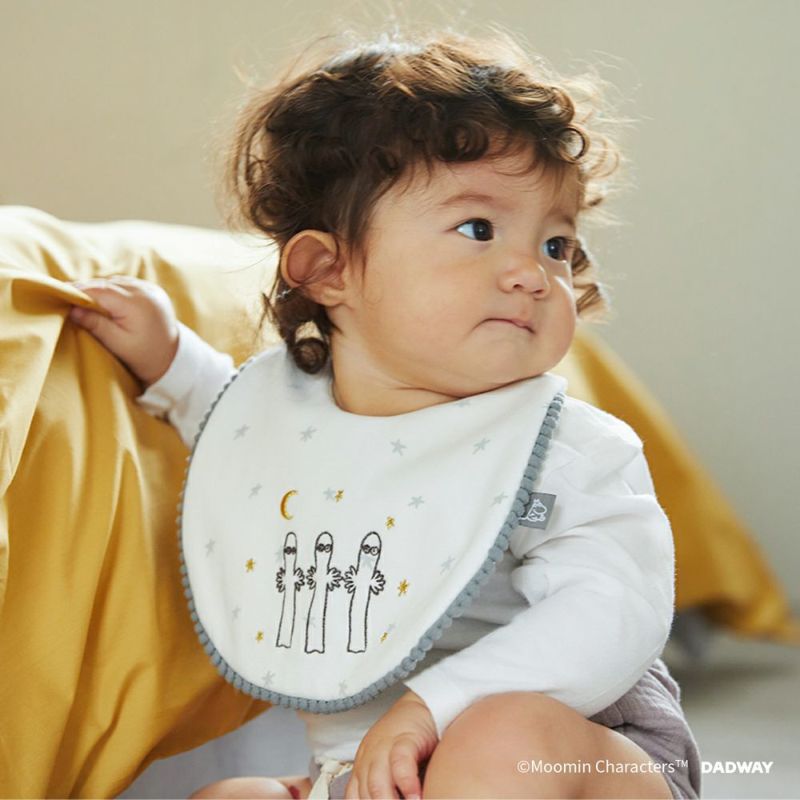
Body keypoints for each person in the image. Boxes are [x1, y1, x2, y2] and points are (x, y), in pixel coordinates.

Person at [66, 26, 702, 800]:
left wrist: (436, 706)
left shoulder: (568, 449)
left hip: (575, 757)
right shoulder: (290, 420)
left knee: (498, 738)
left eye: (557, 245)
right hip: (362, 775)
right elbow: (246, 445)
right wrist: (168, 363)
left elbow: (613, 612)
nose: (533, 274)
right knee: (229, 799)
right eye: (479, 229)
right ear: (327, 270)